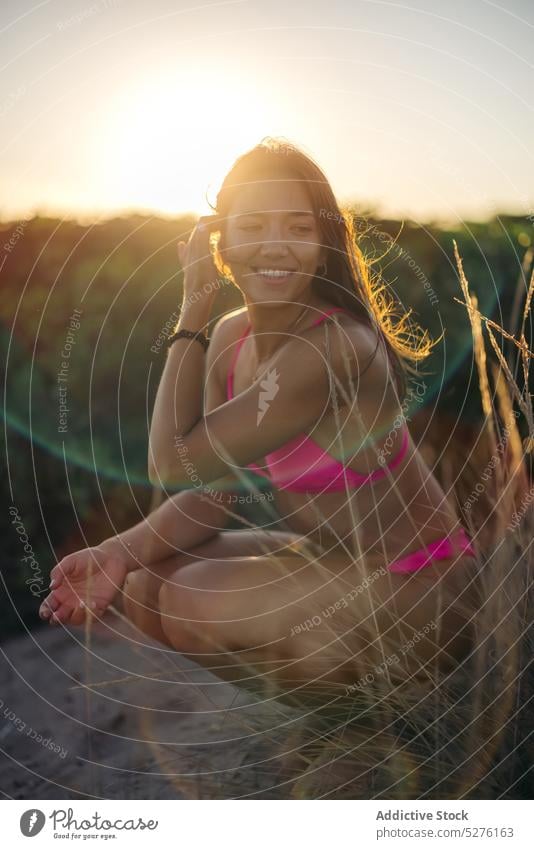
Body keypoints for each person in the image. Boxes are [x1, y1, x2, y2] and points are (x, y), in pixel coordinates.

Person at [39, 138, 478, 698]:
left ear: (323, 246)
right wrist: (113, 553)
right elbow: (207, 489)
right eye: (253, 227)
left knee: (192, 595)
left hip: (425, 589)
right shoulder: (232, 335)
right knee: (144, 583)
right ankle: (338, 714)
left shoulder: (333, 347)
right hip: (333, 567)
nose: (277, 246)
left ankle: (364, 716)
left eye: (299, 228)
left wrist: (192, 306)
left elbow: (169, 463)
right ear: (221, 242)